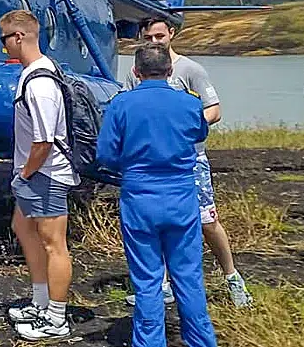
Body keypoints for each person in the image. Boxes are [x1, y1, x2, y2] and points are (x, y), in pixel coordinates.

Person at [121, 17, 252, 308]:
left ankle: (232, 277)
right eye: (148, 38)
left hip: (190, 158)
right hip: (153, 161)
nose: (154, 42)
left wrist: (182, 126)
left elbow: (214, 110)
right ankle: (163, 284)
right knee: (159, 223)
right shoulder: (136, 72)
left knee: (207, 221)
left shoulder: (191, 70)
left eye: (159, 36)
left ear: (171, 33)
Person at [98, 42, 218, 347]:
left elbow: (106, 155)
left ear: (136, 72)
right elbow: (199, 134)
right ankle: (201, 341)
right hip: (180, 196)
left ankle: (150, 341)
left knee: (147, 280)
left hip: (139, 197)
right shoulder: (189, 104)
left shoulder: (121, 104)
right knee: (188, 277)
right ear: (169, 70)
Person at [0, 9, 75, 340]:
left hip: (46, 175)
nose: (3, 48)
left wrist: (24, 174)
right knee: (23, 227)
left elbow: (44, 141)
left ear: (19, 37)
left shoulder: (40, 83)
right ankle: (40, 301)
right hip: (35, 175)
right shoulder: (35, 73)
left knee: (53, 243)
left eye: (4, 40)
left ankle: (56, 318)